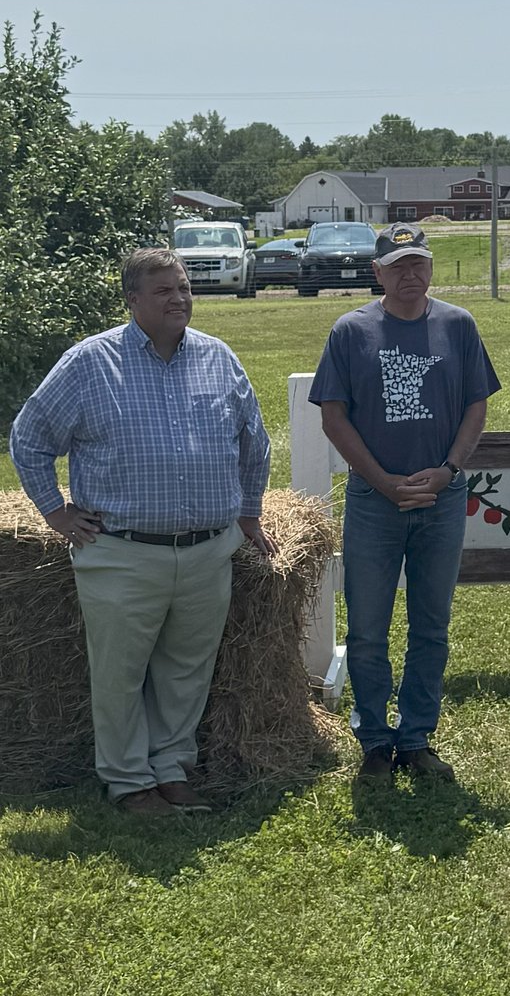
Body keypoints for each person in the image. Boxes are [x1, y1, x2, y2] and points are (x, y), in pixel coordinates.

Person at [9, 247, 274, 815]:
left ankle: (173, 770)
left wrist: (248, 513)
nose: (179, 298)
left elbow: (255, 442)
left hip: (207, 551)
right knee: (120, 676)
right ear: (133, 301)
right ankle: (130, 782)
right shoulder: (89, 363)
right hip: (122, 552)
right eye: (163, 291)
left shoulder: (218, 358)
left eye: (183, 288)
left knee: (185, 672)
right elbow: (29, 437)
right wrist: (54, 510)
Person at [310, 222, 500, 783]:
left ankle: (416, 737)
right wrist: (383, 481)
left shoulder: (457, 326)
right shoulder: (351, 332)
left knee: (430, 625)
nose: (410, 275)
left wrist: (447, 472)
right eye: (397, 266)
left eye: (419, 263)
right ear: (377, 273)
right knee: (368, 627)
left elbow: (475, 407)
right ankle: (374, 740)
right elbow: (333, 416)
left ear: (431, 266)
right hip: (375, 500)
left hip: (441, 500)